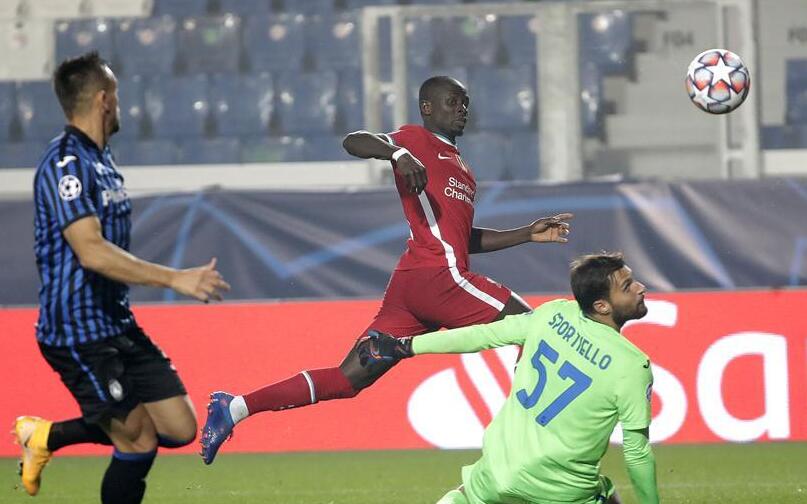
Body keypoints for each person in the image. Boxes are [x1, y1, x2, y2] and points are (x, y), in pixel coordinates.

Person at [200, 75, 573, 464]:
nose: (461, 109)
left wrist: (526, 234)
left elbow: (461, 239)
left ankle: (235, 407)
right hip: (439, 277)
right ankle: (529, 448)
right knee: (534, 328)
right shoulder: (415, 139)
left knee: (347, 380)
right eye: (452, 101)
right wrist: (396, 154)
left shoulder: (462, 168)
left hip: (415, 283)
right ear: (427, 107)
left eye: (464, 102)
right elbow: (354, 140)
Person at [14, 51, 230, 503]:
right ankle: (49, 440)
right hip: (76, 330)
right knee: (137, 439)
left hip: (115, 321)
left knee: (179, 427)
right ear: (104, 100)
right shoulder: (66, 164)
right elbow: (91, 251)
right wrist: (175, 279)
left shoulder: (101, 159)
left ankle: (45, 437)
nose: (120, 104)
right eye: (117, 94)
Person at [362, 252, 659, 504]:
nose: (640, 287)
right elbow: (637, 453)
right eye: (628, 286)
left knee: (468, 494)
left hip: (498, 473)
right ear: (601, 306)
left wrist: (405, 345)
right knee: (602, 494)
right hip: (560, 490)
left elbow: (482, 335)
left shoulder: (553, 314)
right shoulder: (632, 365)